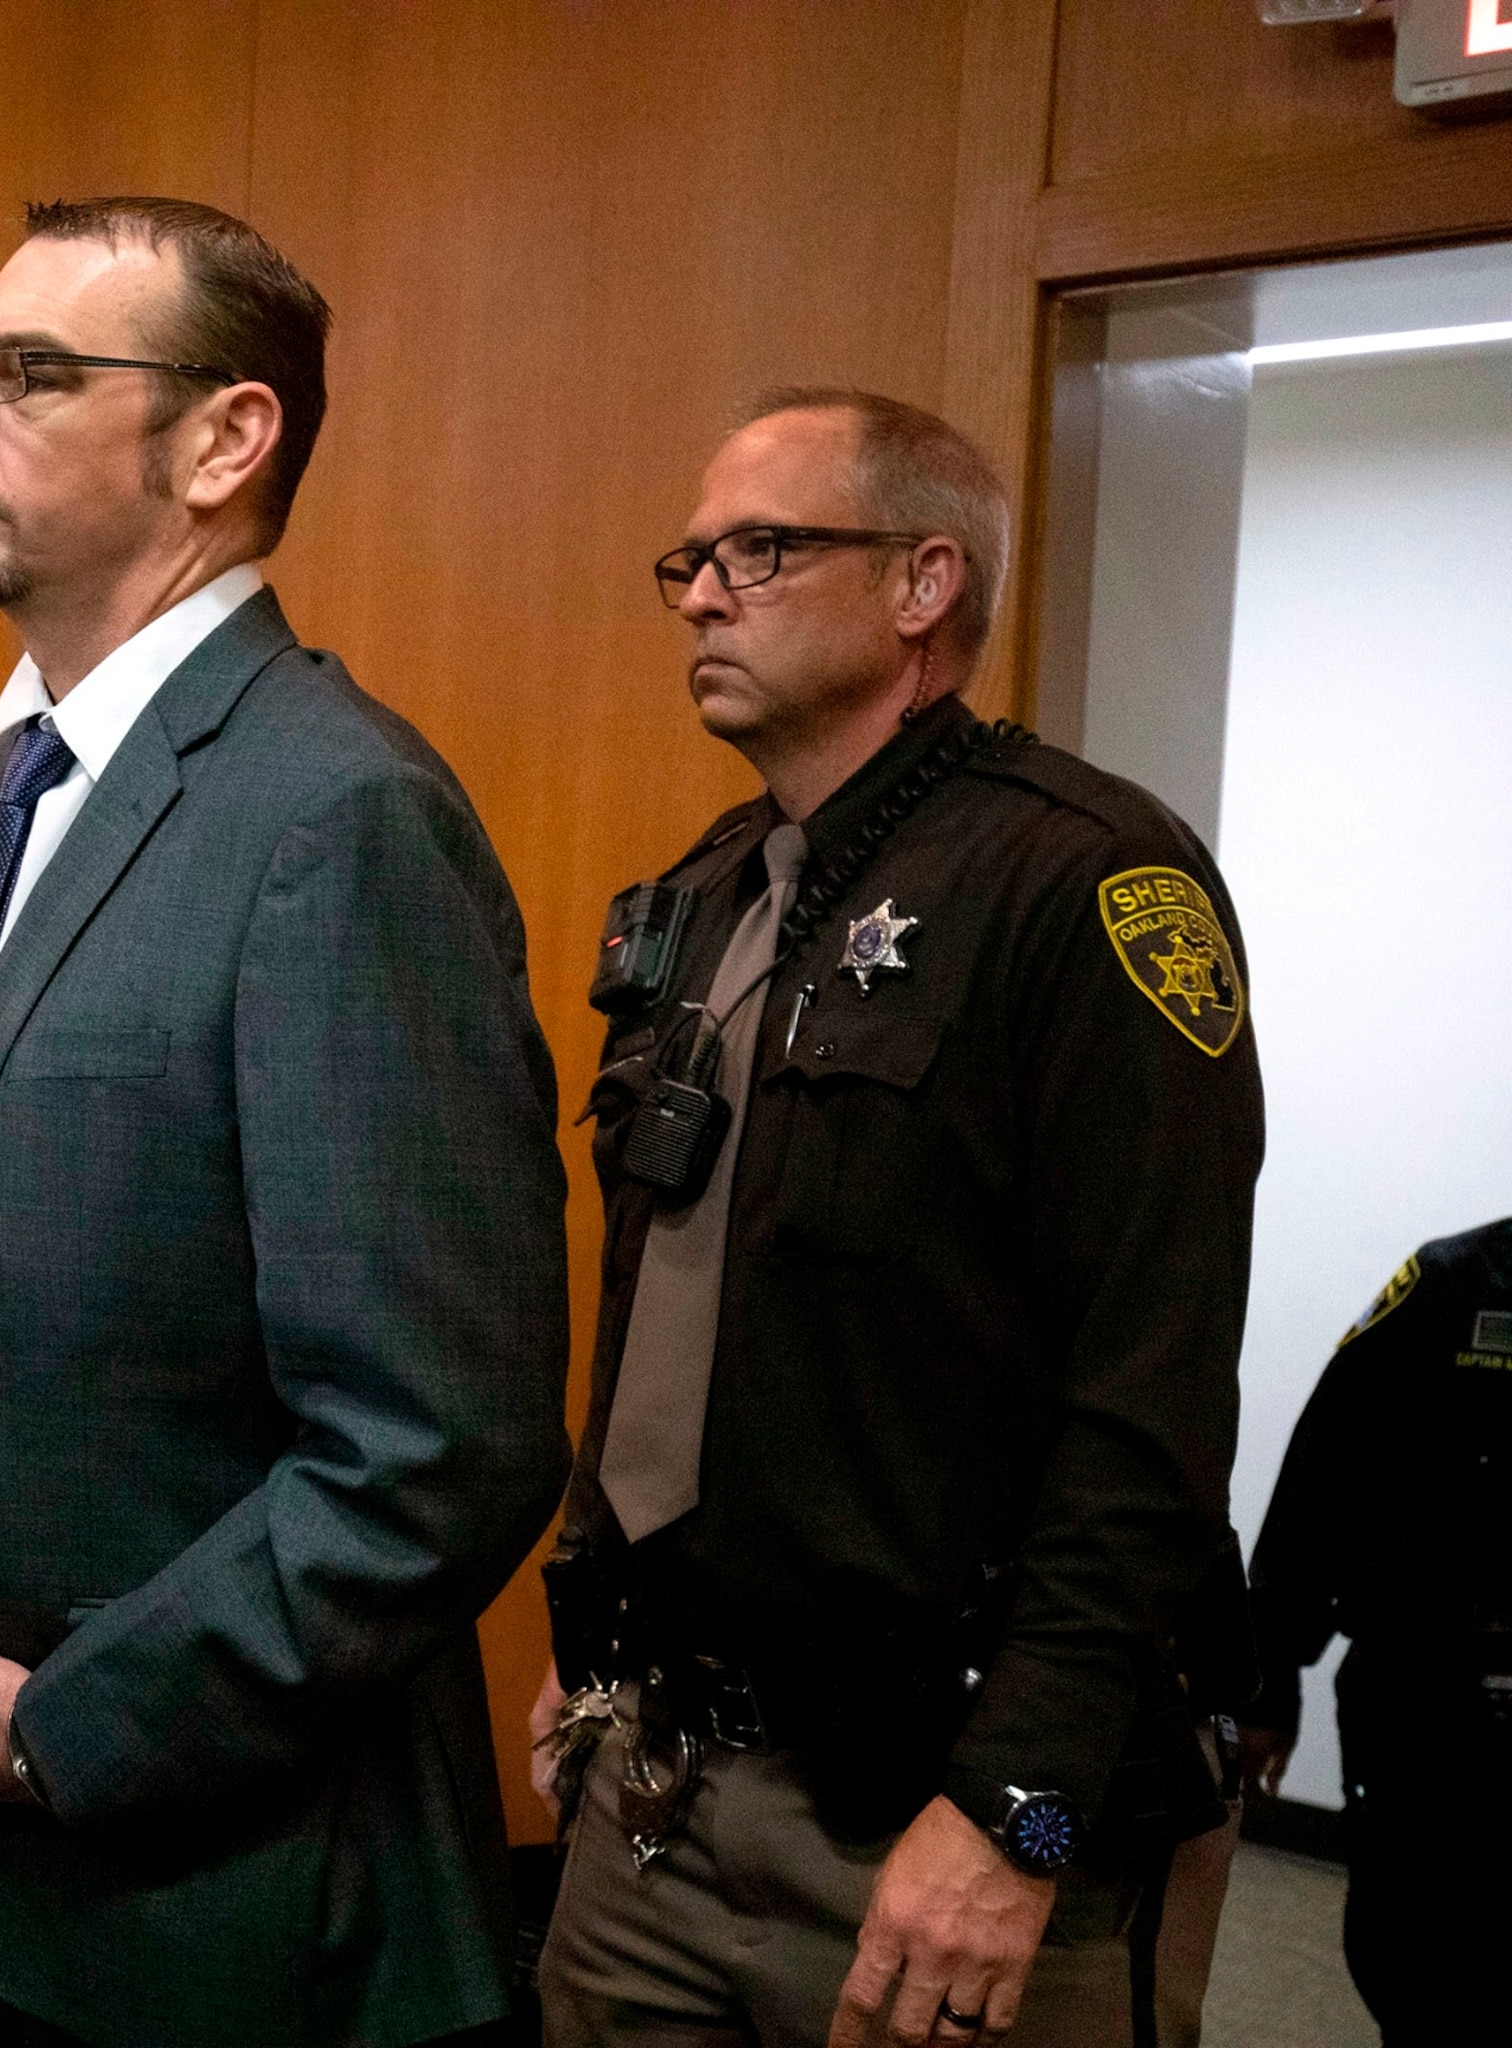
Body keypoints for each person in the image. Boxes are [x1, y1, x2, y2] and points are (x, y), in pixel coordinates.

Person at [0, 195, 570, 2048]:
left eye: (28, 374)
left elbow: (434, 1447)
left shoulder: (338, 818)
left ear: (223, 440)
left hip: (230, 1923)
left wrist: (68, 1725)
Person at [531, 391, 1264, 2048]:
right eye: (689, 561)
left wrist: (1020, 1812)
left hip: (935, 1816)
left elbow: (1147, 1404)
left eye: (760, 549)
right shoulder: (708, 888)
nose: (703, 591)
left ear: (925, 581)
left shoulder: (1089, 882)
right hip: (656, 1787)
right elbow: (661, 1306)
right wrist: (598, 1632)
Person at [1241, 1218, 1512, 2042]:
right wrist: (1268, 1680)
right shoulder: (1455, 1282)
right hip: (1432, 1698)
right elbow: (1322, 1475)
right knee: (1420, 1963)